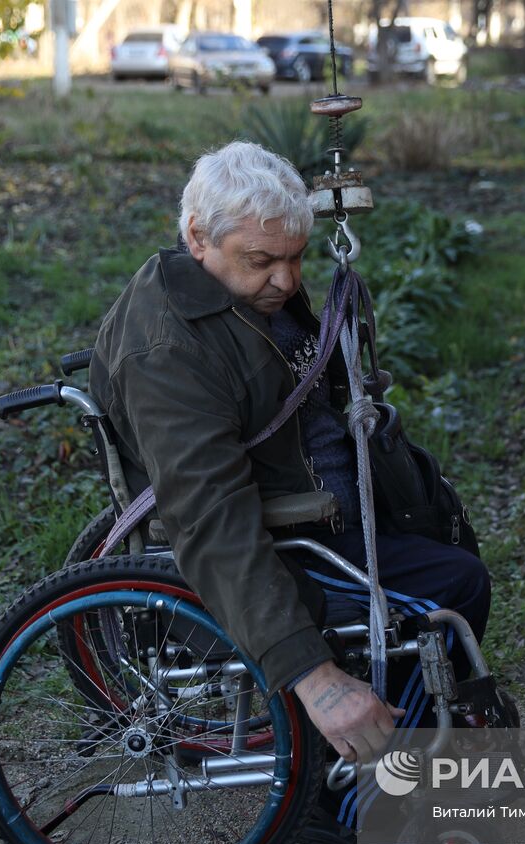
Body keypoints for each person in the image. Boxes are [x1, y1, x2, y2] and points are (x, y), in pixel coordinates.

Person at [87, 141, 490, 803]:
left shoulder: (245, 294)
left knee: (450, 551)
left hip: (325, 504)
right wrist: (313, 675)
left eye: (296, 258)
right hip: (282, 539)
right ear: (197, 238)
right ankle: (350, 800)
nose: (285, 280)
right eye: (263, 262)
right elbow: (211, 519)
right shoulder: (165, 354)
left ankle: (404, 752)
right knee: (446, 597)